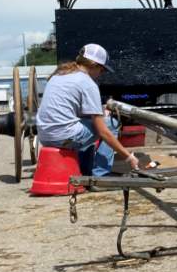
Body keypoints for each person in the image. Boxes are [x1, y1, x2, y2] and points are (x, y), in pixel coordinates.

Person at [36, 44, 141, 175]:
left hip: (44, 136)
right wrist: (128, 156)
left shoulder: (58, 75)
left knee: (88, 126)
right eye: (102, 70)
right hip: (63, 136)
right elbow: (103, 132)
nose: (101, 74)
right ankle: (100, 176)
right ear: (94, 65)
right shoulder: (88, 83)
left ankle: (84, 170)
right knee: (112, 124)